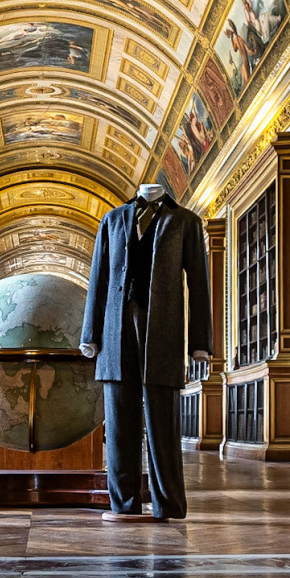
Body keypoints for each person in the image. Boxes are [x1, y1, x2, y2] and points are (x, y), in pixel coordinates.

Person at [80, 184, 211, 522]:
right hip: (115, 327)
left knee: (162, 422)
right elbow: (98, 278)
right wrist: (91, 335)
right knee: (120, 422)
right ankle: (123, 504)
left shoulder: (186, 222)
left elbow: (198, 285)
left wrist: (200, 343)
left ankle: (169, 504)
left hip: (164, 330)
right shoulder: (112, 220)